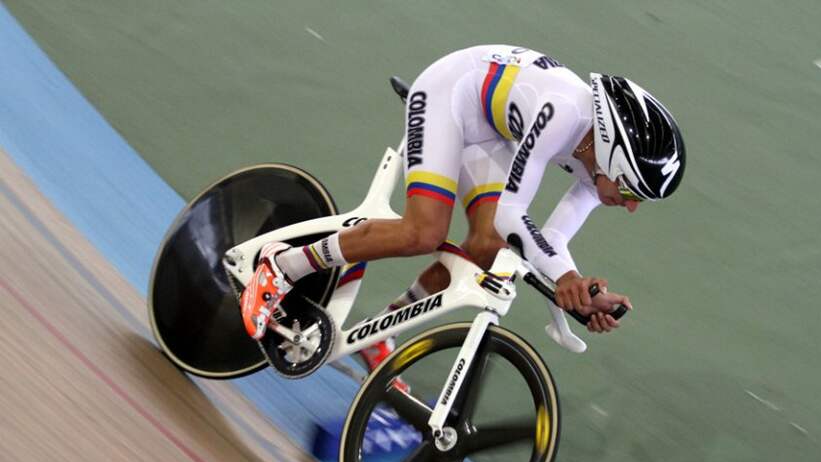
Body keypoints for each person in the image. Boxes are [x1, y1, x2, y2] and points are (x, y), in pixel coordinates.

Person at [239, 44, 686, 372]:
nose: (629, 207)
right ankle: (283, 267)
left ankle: (382, 331)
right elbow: (514, 214)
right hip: (449, 95)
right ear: (612, 153)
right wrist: (565, 278)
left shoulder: (598, 174)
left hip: (491, 129)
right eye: (632, 193)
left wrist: (582, 296)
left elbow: (550, 242)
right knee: (423, 233)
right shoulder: (565, 111)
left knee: (489, 249)